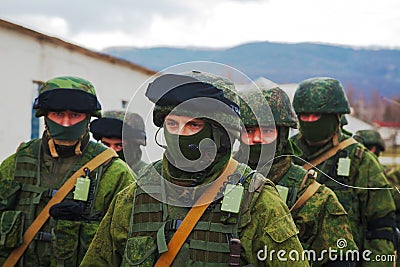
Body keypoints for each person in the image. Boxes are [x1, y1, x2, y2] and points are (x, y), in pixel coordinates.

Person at [81, 71, 308, 266]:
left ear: (221, 132)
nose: (179, 134)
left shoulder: (256, 200)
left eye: (193, 125)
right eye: (172, 123)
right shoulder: (137, 193)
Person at [0, 76, 136, 266]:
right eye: (57, 114)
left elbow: (129, 244)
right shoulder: (17, 163)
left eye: (74, 115)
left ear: (88, 118)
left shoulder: (114, 172)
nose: (65, 123)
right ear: (45, 116)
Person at [234, 86, 357, 266]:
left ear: (283, 134)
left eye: (267, 131)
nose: (257, 138)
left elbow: (341, 259)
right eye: (249, 131)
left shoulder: (313, 196)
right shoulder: (218, 184)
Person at [289, 77, 396, 266]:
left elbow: (380, 225)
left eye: (317, 115)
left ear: (336, 116)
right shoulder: (287, 153)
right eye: (304, 116)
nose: (310, 121)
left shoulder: (360, 160)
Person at [90, 110, 148, 174]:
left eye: (119, 145)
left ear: (134, 146)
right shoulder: (91, 170)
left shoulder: (147, 175)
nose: (112, 150)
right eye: (106, 145)